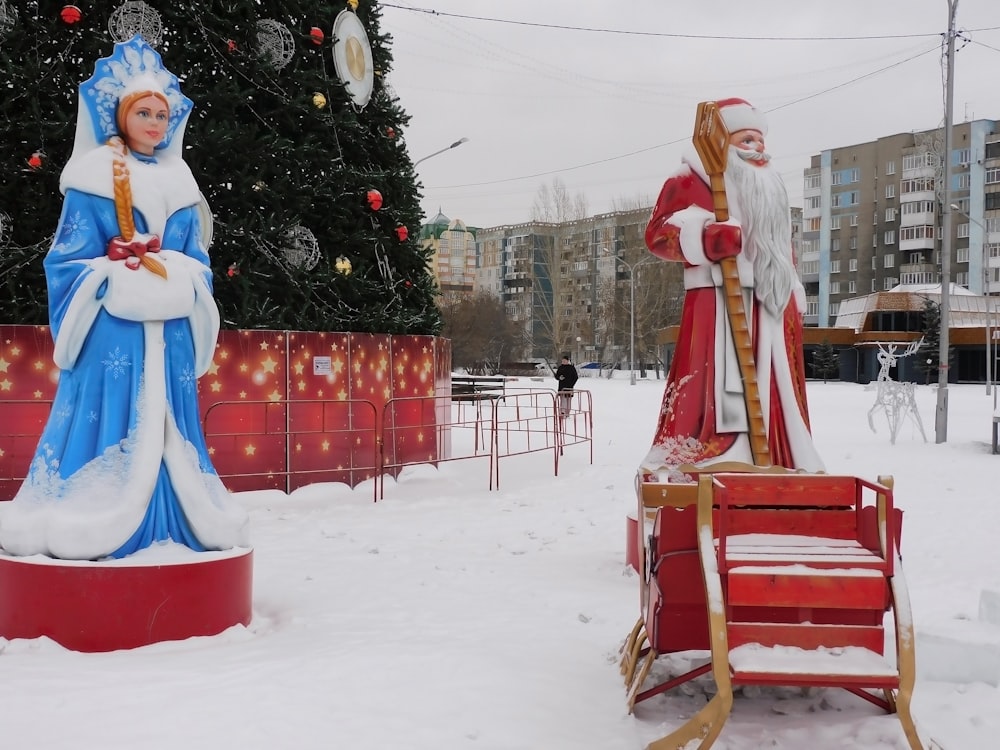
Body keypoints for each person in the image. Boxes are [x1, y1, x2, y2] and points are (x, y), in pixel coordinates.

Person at [0, 36, 248, 560]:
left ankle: (177, 522)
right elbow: (66, 261)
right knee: (111, 418)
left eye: (162, 113)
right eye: (144, 112)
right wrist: (113, 275)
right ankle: (92, 510)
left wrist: (179, 275)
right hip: (114, 331)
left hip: (172, 333)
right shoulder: (93, 177)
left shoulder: (181, 182)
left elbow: (197, 262)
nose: (156, 123)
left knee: (172, 424)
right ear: (120, 117)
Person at [642, 98, 824, 473]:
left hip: (774, 307)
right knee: (721, 388)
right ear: (722, 143)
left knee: (778, 392)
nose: (757, 148)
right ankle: (718, 454)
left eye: (760, 140)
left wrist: (793, 288)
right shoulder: (690, 179)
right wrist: (705, 236)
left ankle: (782, 457)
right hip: (720, 303)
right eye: (746, 140)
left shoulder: (769, 186)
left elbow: (777, 243)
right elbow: (658, 233)